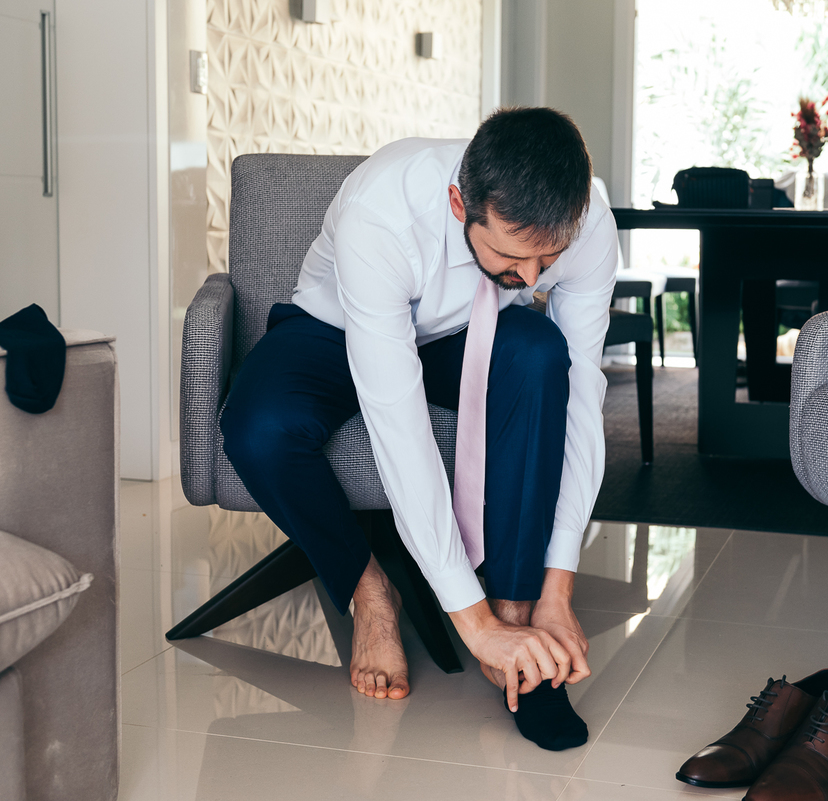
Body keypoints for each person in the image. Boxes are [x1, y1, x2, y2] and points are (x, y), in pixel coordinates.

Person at [219, 107, 617, 752]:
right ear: (461, 205)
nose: (532, 279)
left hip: (465, 333)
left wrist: (557, 585)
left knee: (543, 357)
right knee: (257, 430)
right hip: (336, 327)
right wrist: (472, 623)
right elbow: (398, 429)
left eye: (550, 258)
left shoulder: (590, 218)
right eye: (512, 255)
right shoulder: (382, 213)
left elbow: (581, 398)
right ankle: (370, 591)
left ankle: (520, 623)